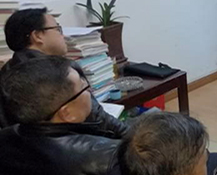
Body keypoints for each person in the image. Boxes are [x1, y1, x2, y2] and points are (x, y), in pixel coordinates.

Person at [0, 56, 120, 175]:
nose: (89, 92)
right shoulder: (107, 156)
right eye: (84, 87)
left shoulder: (6, 138)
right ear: (67, 113)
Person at [0, 8, 128, 136]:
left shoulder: (7, 72)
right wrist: (130, 135)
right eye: (57, 29)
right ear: (38, 36)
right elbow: (98, 119)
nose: (63, 35)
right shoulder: (60, 72)